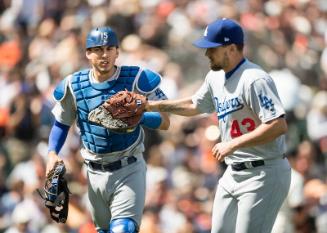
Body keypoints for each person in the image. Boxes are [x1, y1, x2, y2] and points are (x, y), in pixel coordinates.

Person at [146, 18, 291, 233]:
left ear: (231, 48)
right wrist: (151, 106)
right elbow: (194, 105)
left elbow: (278, 125)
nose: (207, 54)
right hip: (233, 171)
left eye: (212, 49)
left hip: (264, 171)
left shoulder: (254, 79)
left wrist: (233, 144)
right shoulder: (215, 77)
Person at [45, 26, 170, 233]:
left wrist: (138, 117)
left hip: (128, 167)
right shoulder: (73, 86)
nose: (104, 55)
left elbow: (165, 121)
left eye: (109, 48)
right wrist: (51, 154)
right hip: (93, 172)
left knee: (123, 229)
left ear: (117, 52)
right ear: (87, 53)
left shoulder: (137, 78)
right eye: (97, 49)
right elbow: (61, 124)